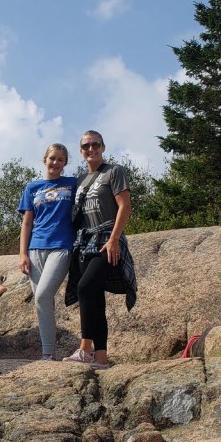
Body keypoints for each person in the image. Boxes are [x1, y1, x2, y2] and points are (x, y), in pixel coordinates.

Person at [63, 130, 137, 370]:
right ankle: (102, 358)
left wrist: (114, 239)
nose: (91, 149)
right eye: (85, 146)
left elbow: (124, 206)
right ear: (81, 151)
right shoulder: (82, 181)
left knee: (84, 288)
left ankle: (85, 349)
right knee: (95, 298)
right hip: (86, 243)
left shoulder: (114, 172)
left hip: (106, 240)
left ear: (103, 147)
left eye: (95, 144)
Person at [18, 143, 77, 361]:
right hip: (35, 249)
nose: (55, 163)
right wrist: (22, 253)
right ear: (45, 159)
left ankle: (50, 352)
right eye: (52, 158)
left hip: (61, 246)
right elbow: (26, 224)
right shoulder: (32, 187)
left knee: (43, 296)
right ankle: (48, 354)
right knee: (42, 302)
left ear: (65, 163)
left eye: (60, 159)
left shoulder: (72, 184)